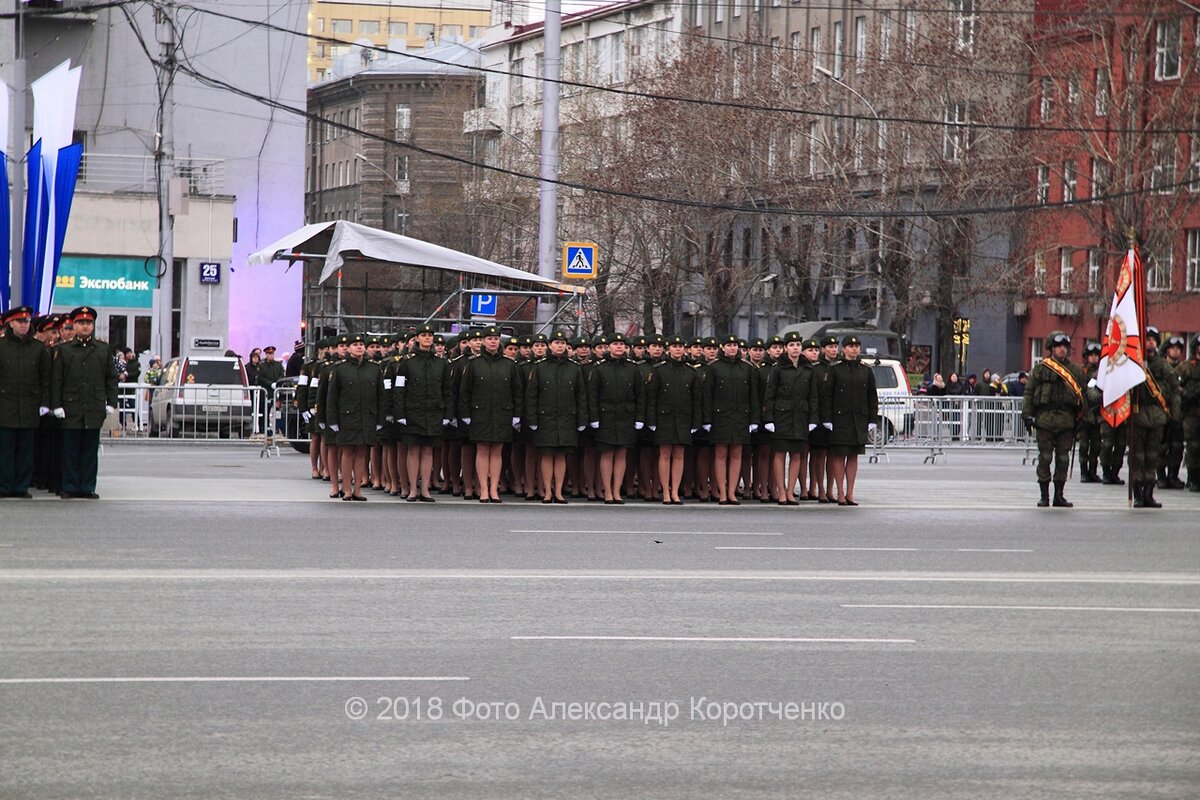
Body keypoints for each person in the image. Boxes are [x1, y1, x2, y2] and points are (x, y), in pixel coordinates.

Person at [50, 307, 118, 499]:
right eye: (81, 323)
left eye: (88, 323)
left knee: (89, 450)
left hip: (94, 406)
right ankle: (70, 487)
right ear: (75, 326)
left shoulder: (103, 349)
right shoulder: (64, 350)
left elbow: (111, 378)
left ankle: (87, 486)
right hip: (71, 406)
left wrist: (111, 402)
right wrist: (56, 405)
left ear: (93, 325)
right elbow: (57, 380)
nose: (85, 326)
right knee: (70, 450)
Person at [458, 327, 522, 503]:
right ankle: (483, 489)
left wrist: (516, 414)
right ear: (484, 341)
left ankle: (494, 489)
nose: (493, 341)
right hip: (480, 412)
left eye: (496, 338)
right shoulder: (474, 363)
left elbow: (517, 392)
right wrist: (466, 414)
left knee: (497, 451)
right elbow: (465, 391)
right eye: (489, 338)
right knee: (482, 450)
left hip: (502, 412)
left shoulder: (509, 364)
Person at [1022, 331, 1085, 508]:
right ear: (1051, 349)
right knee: (1045, 457)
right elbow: (1029, 392)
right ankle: (1044, 495)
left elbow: (1084, 395)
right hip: (1045, 420)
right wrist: (1027, 415)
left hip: (1066, 421)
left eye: (1065, 346)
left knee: (1063, 459)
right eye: (1058, 347)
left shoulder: (1074, 371)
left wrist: (1082, 418)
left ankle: (1059, 494)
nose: (1062, 350)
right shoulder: (1041, 369)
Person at [525, 330, 587, 503]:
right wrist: (532, 419)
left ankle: (558, 491)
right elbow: (532, 396)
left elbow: (581, 395)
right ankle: (547, 491)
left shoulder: (574, 368)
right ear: (550, 346)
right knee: (546, 455)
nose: (559, 346)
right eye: (556, 343)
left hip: (567, 417)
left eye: (562, 343)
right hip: (545, 417)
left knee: (561, 456)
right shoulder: (540, 367)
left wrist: (582, 419)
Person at [393, 324, 450, 502]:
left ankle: (425, 489)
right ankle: (411, 489)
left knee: (428, 451)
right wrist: (399, 413)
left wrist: (447, 414)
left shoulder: (441, 363)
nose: (427, 338)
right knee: (413, 450)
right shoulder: (407, 362)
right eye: (423, 335)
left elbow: (447, 391)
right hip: (412, 411)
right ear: (416, 338)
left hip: (433, 412)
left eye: (430, 335)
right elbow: (399, 389)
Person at [819, 335, 879, 506]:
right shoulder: (835, 369)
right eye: (850, 346)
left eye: (857, 346)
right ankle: (839, 493)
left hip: (859, 419)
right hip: (840, 419)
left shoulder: (865, 370)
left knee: (853, 456)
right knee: (839, 455)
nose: (854, 349)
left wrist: (872, 419)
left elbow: (872, 397)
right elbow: (827, 395)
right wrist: (827, 418)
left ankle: (850, 492)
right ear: (843, 349)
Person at [644, 334, 702, 505]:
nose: (678, 349)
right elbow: (652, 397)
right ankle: (666, 492)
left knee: (679, 455)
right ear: (669, 349)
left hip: (684, 417)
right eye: (674, 346)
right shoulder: (659, 369)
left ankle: (675, 491)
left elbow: (696, 399)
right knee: (664, 455)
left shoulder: (691, 371)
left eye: (680, 346)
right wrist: (651, 420)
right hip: (664, 417)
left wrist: (696, 422)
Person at [0, 306, 51, 498]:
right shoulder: (2, 346)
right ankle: (5, 486)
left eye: (27, 321)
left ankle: (21, 487)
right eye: (20, 321)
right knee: (5, 450)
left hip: (30, 406)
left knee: (25, 451)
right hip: (5, 406)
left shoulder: (38, 348)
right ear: (10, 323)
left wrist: (45, 403)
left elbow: (46, 379)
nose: (24, 325)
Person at [326, 334, 384, 501]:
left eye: (361, 344)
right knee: (347, 452)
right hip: (347, 416)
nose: (359, 347)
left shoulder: (374, 368)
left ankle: (357, 489)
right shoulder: (340, 368)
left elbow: (381, 396)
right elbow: (332, 397)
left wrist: (380, 420)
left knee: (361, 453)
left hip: (367, 416)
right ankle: (346, 489)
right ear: (349, 349)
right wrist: (332, 420)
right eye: (355, 345)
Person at [764, 334, 820, 505]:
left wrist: (813, 419)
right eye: (791, 345)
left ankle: (790, 491)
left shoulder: (808, 369)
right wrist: (768, 419)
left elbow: (813, 397)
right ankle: (781, 491)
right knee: (780, 454)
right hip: (782, 416)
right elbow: (770, 395)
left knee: (796, 454)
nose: (795, 347)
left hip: (800, 417)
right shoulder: (778, 368)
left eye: (797, 344)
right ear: (786, 348)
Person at [588, 332, 643, 504]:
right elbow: (592, 396)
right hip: (606, 415)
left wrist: (639, 418)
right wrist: (594, 417)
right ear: (609, 347)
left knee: (621, 454)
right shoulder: (599, 368)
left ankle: (617, 490)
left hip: (626, 415)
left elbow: (640, 395)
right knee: (607, 453)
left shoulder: (633, 368)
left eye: (622, 344)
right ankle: (607, 491)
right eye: (615, 344)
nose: (619, 346)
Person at [1127, 327, 1177, 508]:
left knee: (1152, 456)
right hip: (1137, 416)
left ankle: (1149, 493)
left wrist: (1174, 417)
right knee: (1137, 457)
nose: (1151, 342)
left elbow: (1174, 391)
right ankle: (1138, 493)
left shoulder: (1163, 366)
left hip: (1157, 417)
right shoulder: (1132, 364)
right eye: (1147, 339)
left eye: (1153, 339)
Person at [1158, 335, 1187, 490]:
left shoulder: (1184, 368)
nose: (1175, 351)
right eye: (1172, 349)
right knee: (1161, 446)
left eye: (1178, 349)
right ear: (1167, 350)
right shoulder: (1161, 367)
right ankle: (1161, 477)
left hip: (1179, 414)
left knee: (1176, 446)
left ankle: (1173, 476)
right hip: (1162, 412)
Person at [1176, 335, 1200, 491]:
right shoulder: (1185, 367)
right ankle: (1193, 477)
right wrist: (1187, 394)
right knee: (1193, 446)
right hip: (1191, 413)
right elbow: (1174, 385)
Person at [1078, 343, 1103, 483]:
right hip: (1085, 413)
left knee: (1096, 445)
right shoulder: (1082, 372)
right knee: (1084, 445)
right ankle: (1083, 471)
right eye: (1091, 355)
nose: (1094, 358)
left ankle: (1093, 471)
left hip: (1097, 414)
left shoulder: (1102, 371)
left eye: (1096, 355)